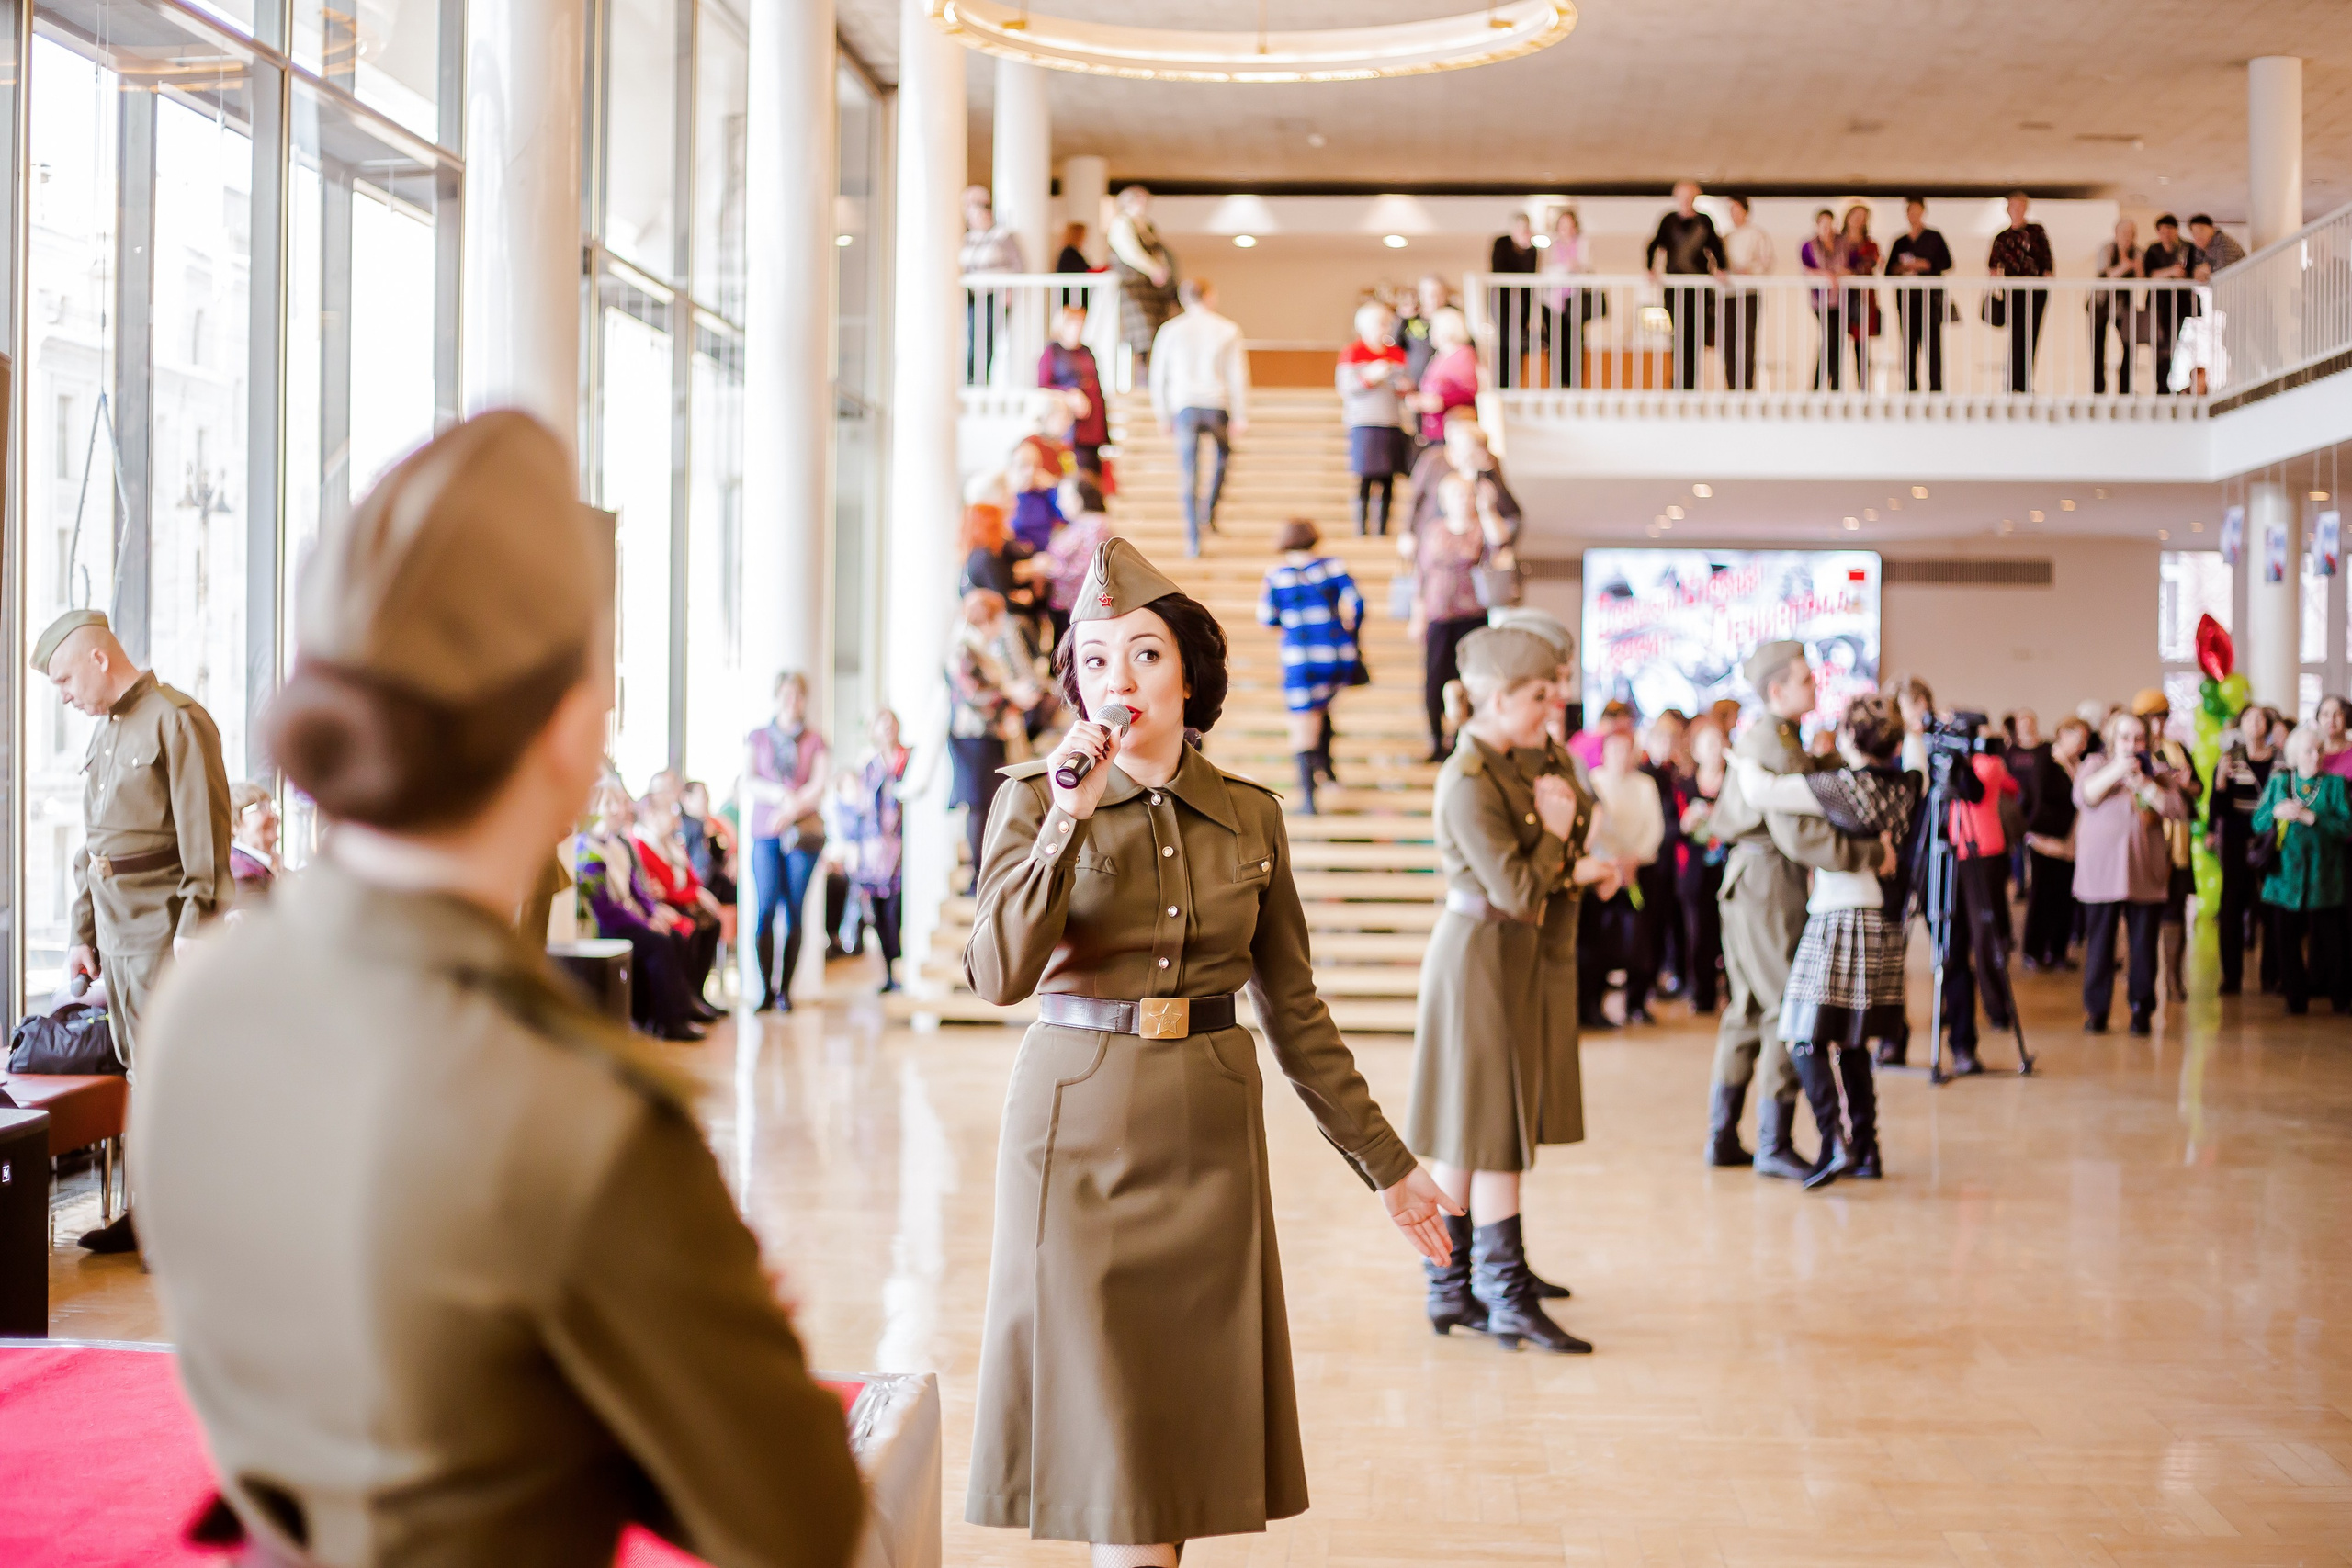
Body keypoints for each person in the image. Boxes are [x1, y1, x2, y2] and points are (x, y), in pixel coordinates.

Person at [132, 412, 864, 1566]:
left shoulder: (202, 1000)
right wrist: (688, 1327)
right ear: (570, 731)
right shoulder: (581, 1122)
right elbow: (803, 1520)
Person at [963, 538, 1457, 1565]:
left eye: (1142, 654)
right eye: (1093, 660)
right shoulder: (1031, 797)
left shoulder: (1251, 820)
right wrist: (1067, 817)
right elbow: (997, 974)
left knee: (1174, 1446)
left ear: (1189, 671)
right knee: (1114, 1451)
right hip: (1074, 1138)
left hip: (1209, 1142)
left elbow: (1297, 1013)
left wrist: (1390, 1167)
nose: (1117, 679)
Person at [1407, 625, 1598, 1356]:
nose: (1552, 709)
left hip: (1503, 955)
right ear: (1494, 697)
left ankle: (1452, 1286)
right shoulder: (1467, 781)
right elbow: (1519, 888)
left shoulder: (1502, 763)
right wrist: (1552, 834)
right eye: (1537, 696)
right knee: (1491, 1132)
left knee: (1472, 1127)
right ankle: (1502, 1291)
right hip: (1480, 955)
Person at [33, 605, 233, 1255]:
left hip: (161, 929)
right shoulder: (107, 733)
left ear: (99, 657)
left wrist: (195, 923)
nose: (65, 697)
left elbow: (206, 830)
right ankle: (149, 1213)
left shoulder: (176, 719)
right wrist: (80, 931)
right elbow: (93, 847)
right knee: (142, 1076)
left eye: (65, 680)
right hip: (116, 936)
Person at [1702, 641, 1881, 1178]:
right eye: (1806, 680)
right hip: (1767, 882)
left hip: (1751, 879)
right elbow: (1801, 833)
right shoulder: (1774, 743)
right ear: (1777, 690)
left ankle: (1724, 1137)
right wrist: (1872, 854)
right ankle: (1772, 1141)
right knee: (1788, 1007)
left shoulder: (1777, 737)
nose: (1816, 686)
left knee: (1748, 1010)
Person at [1736, 694, 1921, 1189]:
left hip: (1837, 918)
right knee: (1853, 1042)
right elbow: (1919, 762)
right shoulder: (1907, 787)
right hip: (1881, 921)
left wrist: (1745, 747)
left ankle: (1833, 1140)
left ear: (1846, 737)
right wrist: (1917, 729)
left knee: (1802, 1035)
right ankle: (1866, 1149)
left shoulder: (1839, 787)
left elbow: (1760, 791)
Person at [2073, 710, 2192, 1034]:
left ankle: (2141, 1009)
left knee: (2143, 948)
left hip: (2144, 872)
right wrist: (2118, 770)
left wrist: (2143, 782)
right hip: (2101, 873)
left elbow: (2177, 809)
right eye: (2125, 737)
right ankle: (2096, 1012)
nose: (2132, 743)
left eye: (2139, 738)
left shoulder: (2156, 770)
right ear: (2112, 739)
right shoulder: (2096, 765)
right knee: (2099, 947)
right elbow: (2085, 795)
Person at [576, 781, 709, 1040]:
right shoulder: (587, 850)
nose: (617, 810)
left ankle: (673, 1011)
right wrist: (644, 923)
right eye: (608, 804)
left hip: (628, 917)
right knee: (658, 943)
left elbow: (637, 890)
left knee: (670, 936)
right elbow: (604, 909)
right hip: (608, 925)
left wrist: (653, 913)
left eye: (618, 803)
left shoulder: (617, 845)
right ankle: (669, 1021)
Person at [1404, 468, 1516, 761]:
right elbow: (1421, 572)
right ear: (1443, 499)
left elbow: (1501, 542)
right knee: (1434, 678)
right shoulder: (1433, 529)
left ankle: (1461, 737)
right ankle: (1434, 738)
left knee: (1469, 678)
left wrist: (1486, 508)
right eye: (1455, 494)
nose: (1461, 499)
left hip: (1473, 613)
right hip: (1438, 613)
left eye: (1466, 493)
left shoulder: (1482, 527)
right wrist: (1417, 612)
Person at [1258, 519, 1363, 814]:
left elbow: (1267, 618)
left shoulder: (1277, 575)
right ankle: (1328, 774)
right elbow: (1357, 604)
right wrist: (1349, 635)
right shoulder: (1334, 566)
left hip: (1300, 658)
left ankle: (1308, 799)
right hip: (1336, 655)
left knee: (1303, 721)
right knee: (1323, 707)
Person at [1938, 716, 2022, 1076]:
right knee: (1953, 941)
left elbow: (1973, 792)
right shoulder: (1947, 760)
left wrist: (1959, 760)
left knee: (1985, 935)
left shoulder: (1989, 761)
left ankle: (1997, 1008)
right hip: (1952, 852)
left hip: (1983, 853)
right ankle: (1955, 1016)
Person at [946, 588, 1045, 894]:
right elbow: (974, 696)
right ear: (985, 618)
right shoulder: (964, 649)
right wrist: (1011, 696)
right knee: (978, 806)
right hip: (972, 738)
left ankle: (984, 874)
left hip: (987, 737)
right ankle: (977, 877)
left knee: (987, 805)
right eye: (997, 618)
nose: (1001, 625)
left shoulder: (979, 648)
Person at [742, 671, 830, 1013]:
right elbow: (750, 779)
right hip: (765, 831)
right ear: (777, 697)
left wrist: (793, 808)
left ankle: (786, 991)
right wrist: (780, 796)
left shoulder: (815, 741)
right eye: (786, 694)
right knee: (764, 909)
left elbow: (818, 785)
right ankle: (765, 989)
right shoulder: (758, 737)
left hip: (802, 835)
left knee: (795, 911)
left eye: (798, 695)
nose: (792, 701)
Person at [2253, 724, 2351, 1015]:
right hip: (2285, 878)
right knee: (2286, 941)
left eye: (2319, 750)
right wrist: (2274, 812)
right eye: (2309, 750)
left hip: (2325, 876)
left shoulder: (2334, 784)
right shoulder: (2280, 783)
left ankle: (2341, 998)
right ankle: (2295, 998)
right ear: (2295, 754)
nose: (2316, 755)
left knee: (2333, 941)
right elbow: (2257, 823)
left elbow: (2347, 827)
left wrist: (2314, 819)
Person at [1148, 277, 1250, 556]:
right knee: (1222, 459)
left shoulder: (1170, 330)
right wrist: (1241, 414)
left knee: (1188, 473)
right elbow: (1237, 374)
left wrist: (1162, 414)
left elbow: (1158, 376)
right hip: (1216, 404)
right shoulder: (1228, 329)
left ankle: (1193, 537)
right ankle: (1208, 514)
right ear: (1209, 296)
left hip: (1184, 406)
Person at [1584, 729, 1666, 1026]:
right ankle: (1595, 1004)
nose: (1621, 757)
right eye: (1615, 751)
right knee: (1601, 940)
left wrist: (1634, 859)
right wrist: (1613, 862)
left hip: (1638, 870)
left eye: (1626, 750)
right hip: (1604, 872)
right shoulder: (1595, 782)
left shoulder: (1645, 785)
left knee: (1642, 939)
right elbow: (1594, 829)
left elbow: (1654, 827)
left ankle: (1637, 1002)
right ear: (1605, 754)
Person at [2131, 688, 2206, 1004]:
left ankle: (2174, 977)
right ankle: (2137, 973)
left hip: (2176, 841)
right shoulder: (2133, 753)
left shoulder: (2178, 749)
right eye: (2151, 720)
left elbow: (2198, 789)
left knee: (2175, 910)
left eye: (2162, 718)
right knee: (2142, 910)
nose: (2158, 726)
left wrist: (2185, 784)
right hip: (2145, 842)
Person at [2211, 705, 2280, 996]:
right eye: (2250, 718)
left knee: (2271, 910)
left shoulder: (2281, 761)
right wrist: (2220, 783)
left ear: (2267, 725)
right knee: (2230, 910)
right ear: (2241, 725)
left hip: (2271, 842)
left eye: (2260, 718)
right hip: (2237, 842)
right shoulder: (2229, 759)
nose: (2255, 723)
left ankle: (2271, 976)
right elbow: (2218, 810)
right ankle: (2231, 976)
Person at [844, 708, 910, 992]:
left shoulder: (909, 760)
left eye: (890, 723)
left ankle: (903, 968)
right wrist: (855, 847)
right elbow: (859, 810)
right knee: (879, 913)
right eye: (880, 725)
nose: (886, 729)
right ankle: (888, 971)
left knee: (898, 909)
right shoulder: (869, 766)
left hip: (902, 846)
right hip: (874, 851)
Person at [1337, 299, 1413, 535]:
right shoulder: (1352, 352)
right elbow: (1345, 387)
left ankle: (1382, 529)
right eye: (1380, 323)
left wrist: (1404, 385)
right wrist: (1370, 376)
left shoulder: (1397, 354)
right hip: (1363, 423)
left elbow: (1403, 389)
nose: (1385, 328)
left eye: (1387, 323)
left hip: (1391, 421)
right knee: (1365, 477)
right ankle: (1362, 528)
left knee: (1389, 478)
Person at [2020, 716, 2090, 971]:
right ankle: (2034, 950)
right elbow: (2040, 802)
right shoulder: (2047, 761)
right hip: (2046, 842)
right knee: (2042, 897)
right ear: (2064, 734)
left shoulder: (2078, 765)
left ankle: (2058, 951)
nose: (2082, 745)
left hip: (2070, 845)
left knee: (2064, 899)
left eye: (2085, 740)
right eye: (2079, 738)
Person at [1644, 179, 1725, 390]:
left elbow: (1716, 247)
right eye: (1683, 197)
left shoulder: (1705, 221)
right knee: (1678, 336)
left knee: (1697, 337)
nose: (1686, 201)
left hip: (1699, 290)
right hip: (1675, 289)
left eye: (1690, 197)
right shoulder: (1668, 220)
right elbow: (1654, 245)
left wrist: (1721, 268)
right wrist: (1650, 268)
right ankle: (1679, 384)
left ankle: (1691, 385)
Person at [1404, 406, 1521, 541]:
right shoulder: (1434, 459)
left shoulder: (1487, 466)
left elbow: (1510, 512)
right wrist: (1408, 532)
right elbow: (1415, 496)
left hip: (1475, 541)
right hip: (1434, 537)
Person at [1678, 720, 1730, 1010]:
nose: (1714, 750)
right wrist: (1687, 823)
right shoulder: (1685, 785)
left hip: (1727, 868)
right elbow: (1671, 827)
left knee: (1729, 933)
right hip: (1696, 872)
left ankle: (1733, 992)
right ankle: (1702, 994)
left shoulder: (1734, 782)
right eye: (1707, 744)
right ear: (1696, 751)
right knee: (1698, 935)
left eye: (1718, 743)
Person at [1108, 184, 1179, 375]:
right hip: (1132, 286)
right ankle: (1144, 378)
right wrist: (1154, 270)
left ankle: (1152, 377)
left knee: (1156, 333)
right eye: (1140, 199)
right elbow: (1130, 253)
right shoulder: (1121, 223)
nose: (1144, 204)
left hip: (1150, 289)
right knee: (1143, 335)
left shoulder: (1146, 226)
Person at [1988, 190, 2054, 394]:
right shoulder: (2002, 237)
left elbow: (2047, 262)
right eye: (2013, 206)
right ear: (2007, 209)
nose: (2016, 210)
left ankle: (2023, 383)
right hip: (2013, 291)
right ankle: (2012, 383)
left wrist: (2047, 278)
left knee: (2031, 334)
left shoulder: (2036, 230)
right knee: (2016, 336)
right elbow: (1992, 266)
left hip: (2035, 291)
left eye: (2020, 206)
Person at [960, 184, 1025, 385]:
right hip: (973, 297)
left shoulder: (1002, 236)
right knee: (972, 337)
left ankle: (982, 380)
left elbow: (1018, 266)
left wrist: (1008, 291)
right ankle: (970, 378)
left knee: (987, 339)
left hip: (994, 296)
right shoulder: (968, 239)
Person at [1886, 197, 1952, 393]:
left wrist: (1925, 264)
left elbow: (1947, 263)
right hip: (1907, 300)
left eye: (1917, 211)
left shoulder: (1934, 237)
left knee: (1932, 345)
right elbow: (1889, 271)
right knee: (1908, 345)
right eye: (1910, 212)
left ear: (1923, 212)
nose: (1913, 215)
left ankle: (1936, 389)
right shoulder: (1900, 242)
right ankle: (1910, 387)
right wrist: (1902, 267)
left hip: (1930, 300)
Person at [1039, 300, 1109, 477]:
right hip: (1070, 425)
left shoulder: (1087, 351)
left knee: (1093, 473)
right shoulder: (1053, 352)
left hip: (1092, 424)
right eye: (1074, 324)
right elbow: (1042, 385)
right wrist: (1069, 395)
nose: (1078, 328)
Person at [1042, 476, 1114, 641]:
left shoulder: (1097, 525)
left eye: (1063, 497)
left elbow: (1086, 568)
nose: (1059, 503)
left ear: (1079, 498)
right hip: (1066, 605)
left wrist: (1049, 568)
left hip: (1081, 608)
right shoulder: (1079, 524)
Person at [2141, 214, 2199, 395]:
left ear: (2176, 231)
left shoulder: (2187, 248)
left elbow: (2193, 272)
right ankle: (2161, 386)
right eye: (2162, 231)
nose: (2166, 235)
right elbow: (2148, 274)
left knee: (2173, 343)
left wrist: (2184, 274)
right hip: (2158, 304)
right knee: (2159, 344)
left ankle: (2170, 384)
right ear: (2158, 232)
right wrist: (2171, 272)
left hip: (2180, 304)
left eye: (2170, 231)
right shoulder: (2153, 249)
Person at [1538, 208, 1594, 389]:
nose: (1567, 230)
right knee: (1555, 345)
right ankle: (1557, 384)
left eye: (1570, 226)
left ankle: (1574, 385)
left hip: (1575, 302)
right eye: (1563, 226)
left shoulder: (1584, 245)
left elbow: (1589, 270)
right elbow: (1543, 272)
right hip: (1553, 304)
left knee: (1575, 345)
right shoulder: (1550, 247)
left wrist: (1577, 267)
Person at [1721, 194, 1772, 390]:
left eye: (1736, 210)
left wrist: (1749, 270)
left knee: (1747, 341)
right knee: (1728, 341)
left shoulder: (1757, 234)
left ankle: (1747, 386)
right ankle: (1731, 385)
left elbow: (1766, 263)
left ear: (1745, 211)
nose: (1733, 214)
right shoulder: (1726, 236)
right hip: (1728, 295)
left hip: (1749, 293)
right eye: (1730, 210)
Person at [1412, 306, 1481, 445]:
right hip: (1433, 428)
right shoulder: (1438, 356)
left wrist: (1441, 401)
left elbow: (1469, 390)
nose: (1431, 333)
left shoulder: (1463, 354)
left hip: (1454, 426)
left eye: (1434, 328)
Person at [2093, 217, 2144, 396]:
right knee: (2098, 347)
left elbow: (2141, 279)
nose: (2127, 237)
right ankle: (2098, 390)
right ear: (2116, 233)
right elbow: (2106, 274)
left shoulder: (2137, 252)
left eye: (2131, 233)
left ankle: (2125, 388)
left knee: (2129, 343)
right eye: (2124, 233)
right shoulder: (2106, 249)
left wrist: (2134, 267)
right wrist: (2123, 267)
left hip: (2123, 306)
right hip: (2100, 304)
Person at [1837, 203, 1883, 391]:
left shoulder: (1870, 244)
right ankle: (1833, 388)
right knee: (1835, 340)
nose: (1859, 220)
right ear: (1848, 217)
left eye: (1863, 217)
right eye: (1856, 215)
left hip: (1864, 297)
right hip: (1840, 296)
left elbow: (1875, 266)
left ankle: (1863, 388)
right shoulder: (1838, 242)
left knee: (1861, 343)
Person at [1799, 209, 1848, 389]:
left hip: (1841, 300)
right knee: (1830, 339)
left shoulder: (1841, 243)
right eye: (1823, 225)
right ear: (1817, 226)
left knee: (1838, 341)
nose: (1827, 229)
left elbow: (1848, 266)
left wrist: (1839, 274)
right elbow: (1806, 270)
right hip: (1820, 301)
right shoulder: (1808, 246)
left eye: (1830, 225)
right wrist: (1828, 275)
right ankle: (1818, 385)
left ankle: (1835, 385)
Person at [1490, 210, 1540, 388]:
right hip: (1503, 303)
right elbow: (1498, 270)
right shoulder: (1501, 243)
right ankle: (1502, 385)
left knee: (1519, 343)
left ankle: (1515, 383)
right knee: (1504, 342)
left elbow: (1530, 278)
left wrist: (1526, 249)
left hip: (1522, 305)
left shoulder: (1532, 249)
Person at [1006, 435, 1065, 553]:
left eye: (1036, 466)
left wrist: (1053, 486)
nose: (1031, 472)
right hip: (1016, 559)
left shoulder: (1045, 493)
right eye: (1024, 466)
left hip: (1045, 558)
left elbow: (1068, 516)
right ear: (1011, 467)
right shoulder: (1005, 496)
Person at [227, 782, 278, 908]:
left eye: (271, 807)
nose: (273, 815)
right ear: (235, 824)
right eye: (261, 807)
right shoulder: (239, 873)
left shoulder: (271, 866)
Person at [1397, 272, 1452, 388]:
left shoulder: (1453, 318)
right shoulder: (1410, 320)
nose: (1434, 299)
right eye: (1428, 294)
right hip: (1414, 384)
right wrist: (1402, 320)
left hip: (1444, 387)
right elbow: (1396, 346)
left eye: (1438, 294)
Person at [2188, 214, 2246, 279]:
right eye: (2195, 233)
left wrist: (2209, 268)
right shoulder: (2202, 247)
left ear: (2213, 228)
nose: (2198, 236)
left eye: (2201, 230)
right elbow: (2196, 270)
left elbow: (2225, 270)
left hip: (2237, 282)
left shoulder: (2221, 241)